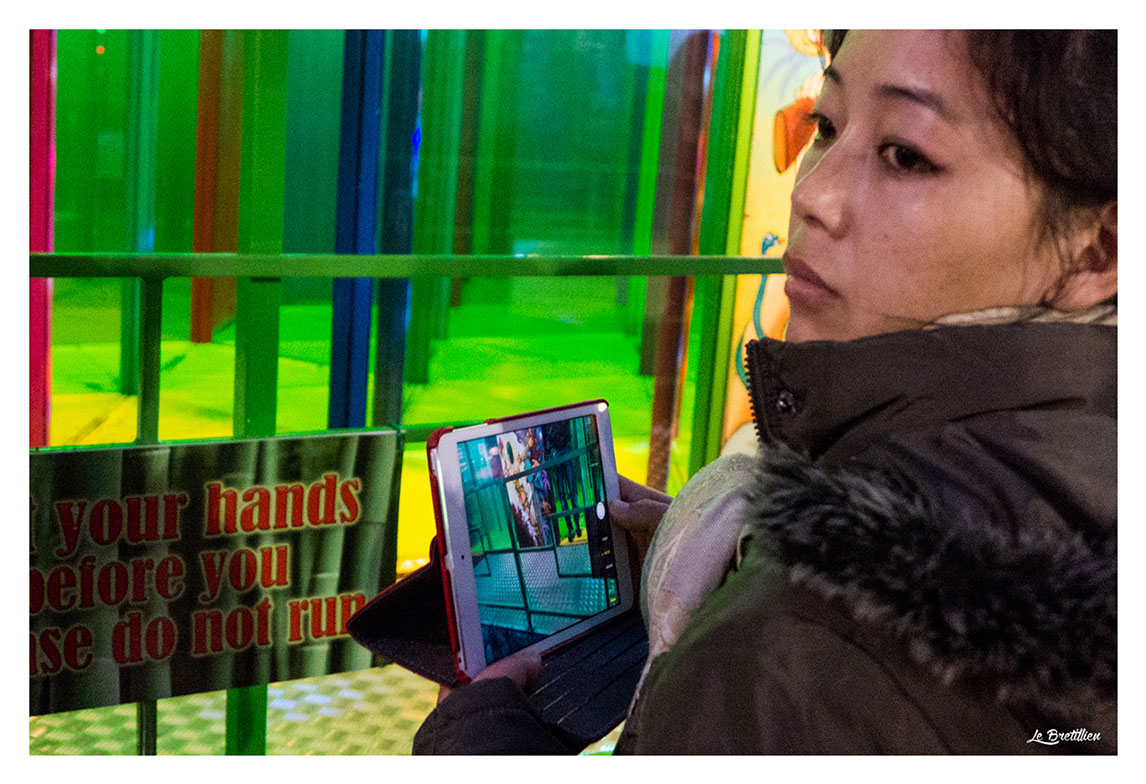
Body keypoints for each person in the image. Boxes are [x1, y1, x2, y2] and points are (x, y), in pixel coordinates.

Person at [412, 29, 1116, 754]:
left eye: (906, 155)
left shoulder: (788, 656)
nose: (811, 194)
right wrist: (731, 559)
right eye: (826, 125)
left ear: (1100, 249)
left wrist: (476, 734)